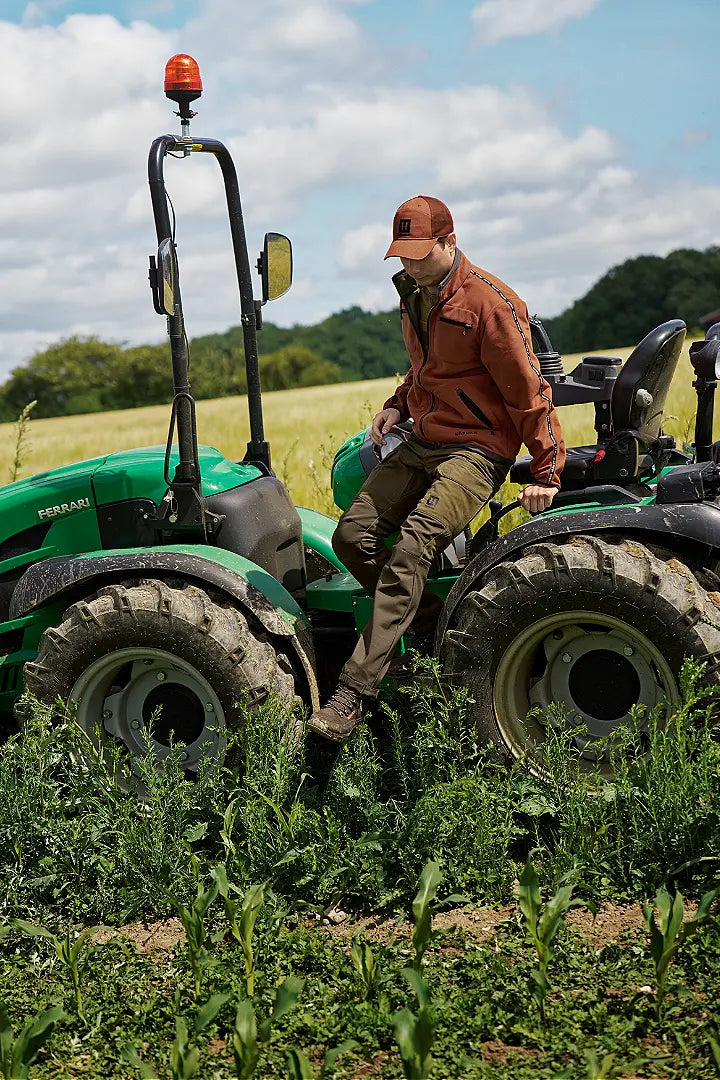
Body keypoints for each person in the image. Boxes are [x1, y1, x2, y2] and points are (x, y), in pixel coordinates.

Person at [307, 195, 566, 742]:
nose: (409, 265)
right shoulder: (415, 296)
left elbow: (529, 390)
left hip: (477, 449)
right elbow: (426, 369)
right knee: (352, 537)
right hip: (424, 437)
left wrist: (546, 471)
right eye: (402, 255)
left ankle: (354, 692)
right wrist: (398, 403)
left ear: (449, 242)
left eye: (420, 254)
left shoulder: (488, 303)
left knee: (413, 546)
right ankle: (430, 628)